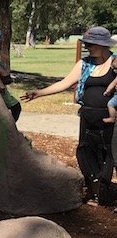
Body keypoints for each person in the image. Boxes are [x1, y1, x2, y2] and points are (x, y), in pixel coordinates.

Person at [21, 26, 116, 205]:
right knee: (85, 153)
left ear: (102, 45)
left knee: (107, 155)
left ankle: (103, 193)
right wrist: (40, 93)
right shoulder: (84, 64)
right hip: (88, 117)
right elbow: (65, 83)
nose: (87, 46)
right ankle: (93, 191)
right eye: (86, 43)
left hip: (109, 120)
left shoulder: (115, 62)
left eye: (90, 43)